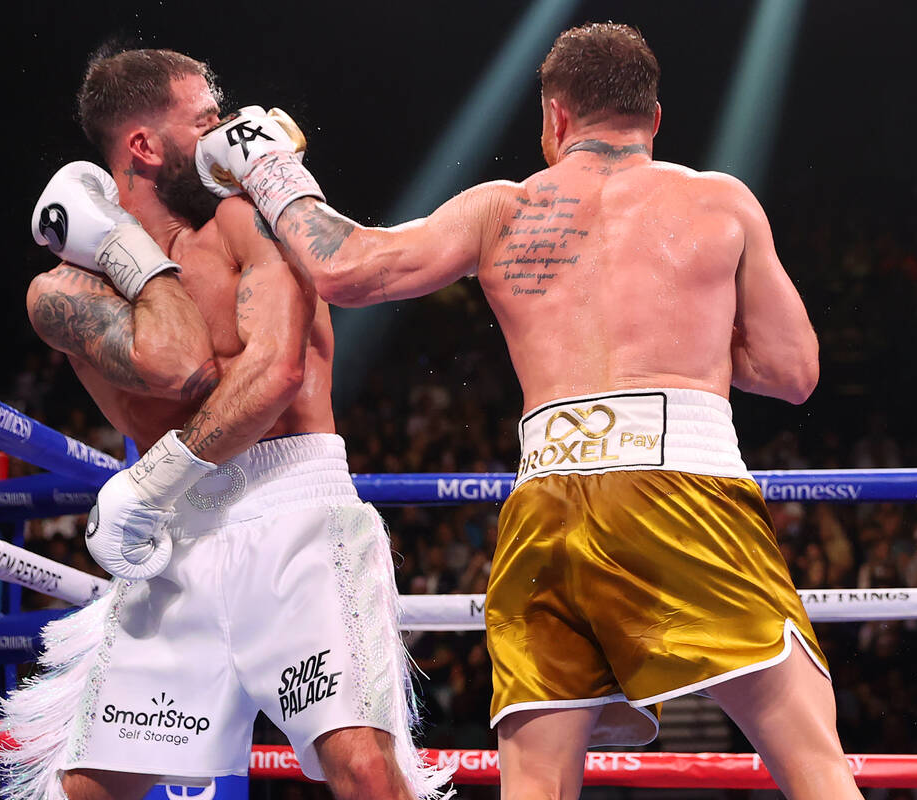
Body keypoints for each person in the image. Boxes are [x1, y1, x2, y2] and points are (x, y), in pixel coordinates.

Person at [195, 22, 861, 800]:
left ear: (555, 118)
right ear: (653, 117)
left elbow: (348, 269)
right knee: (814, 764)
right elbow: (793, 371)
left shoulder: (500, 210)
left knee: (536, 786)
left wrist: (270, 168)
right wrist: (697, 346)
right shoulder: (720, 201)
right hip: (686, 489)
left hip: (546, 507)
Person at [0, 47, 447, 800]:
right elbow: (179, 366)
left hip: (294, 516)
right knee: (83, 791)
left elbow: (276, 374)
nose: (229, 130)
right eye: (205, 118)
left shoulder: (247, 222)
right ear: (144, 146)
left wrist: (149, 479)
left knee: (366, 771)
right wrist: (128, 249)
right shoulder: (64, 290)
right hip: (174, 545)